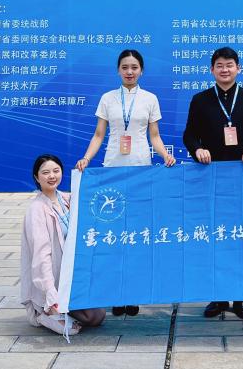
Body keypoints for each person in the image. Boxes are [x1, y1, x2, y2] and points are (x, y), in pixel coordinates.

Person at [76, 49, 175, 316]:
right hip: (113, 170)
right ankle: (115, 295)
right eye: (124, 67)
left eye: (134, 67)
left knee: (137, 233)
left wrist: (165, 155)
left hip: (141, 170)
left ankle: (133, 294)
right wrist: (86, 158)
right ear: (118, 70)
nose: (129, 72)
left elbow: (155, 136)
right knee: (114, 233)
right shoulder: (107, 98)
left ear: (141, 70)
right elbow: (99, 135)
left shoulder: (150, 98)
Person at [182, 46, 243, 320]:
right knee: (216, 236)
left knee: (241, 237)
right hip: (211, 180)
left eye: (229, 65)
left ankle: (241, 297)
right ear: (211, 70)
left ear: (238, 68)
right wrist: (197, 150)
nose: (224, 69)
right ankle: (218, 296)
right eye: (219, 65)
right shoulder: (200, 100)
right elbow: (189, 135)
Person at [20, 154, 106, 337]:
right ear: (36, 177)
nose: (52, 176)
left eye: (56, 171)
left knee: (98, 316)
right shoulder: (37, 210)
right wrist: (50, 292)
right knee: (88, 320)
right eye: (45, 173)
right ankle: (43, 313)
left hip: (70, 275)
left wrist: (84, 169)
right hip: (52, 278)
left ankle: (63, 309)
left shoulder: (65, 199)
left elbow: (94, 198)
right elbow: (41, 255)